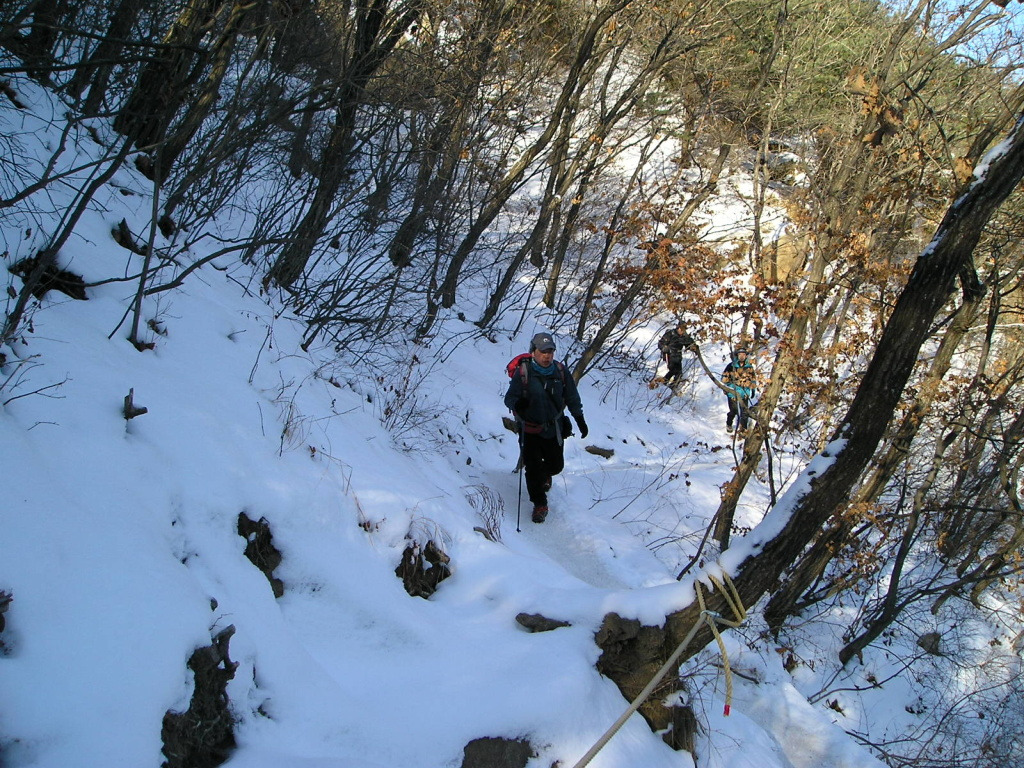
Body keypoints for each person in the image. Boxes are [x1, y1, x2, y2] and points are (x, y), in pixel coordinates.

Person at [504, 332, 588, 523]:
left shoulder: (560, 371)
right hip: (530, 429)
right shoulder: (523, 372)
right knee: (532, 468)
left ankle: (545, 476)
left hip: (553, 427)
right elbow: (509, 398)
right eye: (543, 351)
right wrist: (518, 406)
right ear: (533, 351)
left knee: (556, 466)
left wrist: (580, 419)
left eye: (550, 351)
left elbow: (572, 397)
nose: (547, 355)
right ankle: (539, 503)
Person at [722, 346, 756, 433]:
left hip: (744, 392)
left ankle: (743, 429)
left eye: (743, 354)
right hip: (733, 392)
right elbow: (724, 378)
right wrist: (730, 386)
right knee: (733, 411)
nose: (741, 356)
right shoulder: (731, 366)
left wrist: (752, 390)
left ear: (746, 356)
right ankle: (729, 424)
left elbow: (753, 379)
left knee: (744, 412)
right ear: (737, 355)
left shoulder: (749, 367)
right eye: (740, 354)